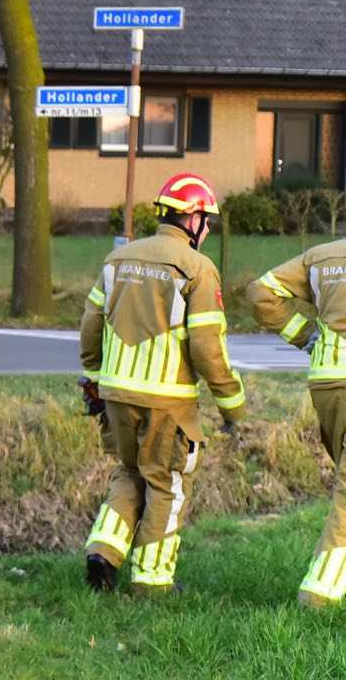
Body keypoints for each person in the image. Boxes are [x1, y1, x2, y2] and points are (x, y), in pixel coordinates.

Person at [80, 173, 245, 596]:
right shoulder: (197, 268)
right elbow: (209, 348)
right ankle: (152, 582)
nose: (207, 229)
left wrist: (96, 378)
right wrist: (233, 408)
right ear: (191, 218)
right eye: (206, 219)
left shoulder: (118, 260)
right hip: (167, 401)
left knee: (129, 471)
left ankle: (103, 551)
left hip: (116, 393)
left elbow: (91, 323)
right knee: (167, 484)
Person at [247, 235, 346, 608]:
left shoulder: (323, 256)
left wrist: (308, 337)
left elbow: (261, 293)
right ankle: (320, 595)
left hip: (327, 382)